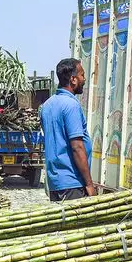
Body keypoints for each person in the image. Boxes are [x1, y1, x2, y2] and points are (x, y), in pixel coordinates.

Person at [40, 58, 93, 201]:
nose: (84, 79)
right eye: (82, 75)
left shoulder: (47, 105)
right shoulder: (71, 106)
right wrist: (89, 184)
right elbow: (77, 147)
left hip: (55, 182)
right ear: (73, 79)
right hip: (72, 182)